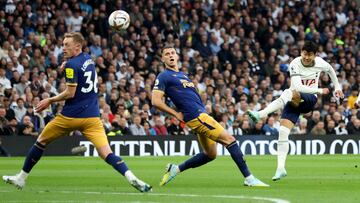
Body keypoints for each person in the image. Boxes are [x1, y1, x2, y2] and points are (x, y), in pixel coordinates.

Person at [2, 32, 151, 192]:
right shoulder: (88, 59)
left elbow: (70, 93)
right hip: (92, 117)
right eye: (63, 44)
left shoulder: (72, 65)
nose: (63, 48)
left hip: (71, 116)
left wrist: (50, 100)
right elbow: (79, 68)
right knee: (107, 153)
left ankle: (21, 178)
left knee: (41, 142)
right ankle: (131, 177)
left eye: (67, 45)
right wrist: (67, 65)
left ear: (77, 46)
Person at [152, 45, 268, 187]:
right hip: (196, 117)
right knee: (230, 140)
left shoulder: (183, 75)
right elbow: (156, 101)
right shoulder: (164, 76)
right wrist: (176, 114)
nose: (170, 55)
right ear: (163, 59)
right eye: (167, 54)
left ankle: (176, 169)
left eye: (172, 53)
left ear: (177, 56)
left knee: (210, 154)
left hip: (200, 115)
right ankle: (249, 178)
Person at [247, 41, 344, 181]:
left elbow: (330, 70)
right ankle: (280, 169)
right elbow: (298, 86)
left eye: (309, 55)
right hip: (294, 99)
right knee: (283, 132)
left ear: (315, 55)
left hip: (309, 100)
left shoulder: (320, 63)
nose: (306, 57)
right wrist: (320, 89)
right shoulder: (295, 63)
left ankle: (260, 114)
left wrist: (337, 87)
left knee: (289, 92)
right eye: (304, 53)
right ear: (301, 52)